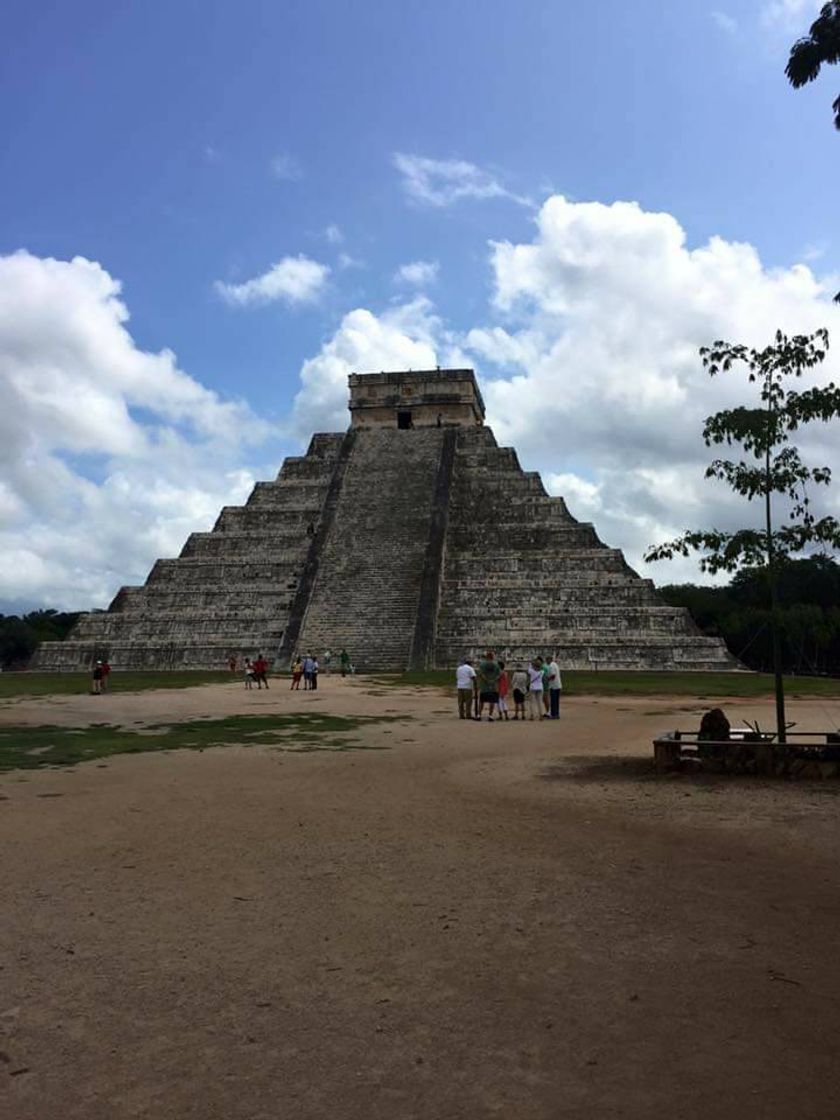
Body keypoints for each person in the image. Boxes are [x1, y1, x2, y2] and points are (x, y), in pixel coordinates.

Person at [477, 648, 501, 721]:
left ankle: (479, 715)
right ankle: (490, 715)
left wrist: (487, 680)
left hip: (484, 686)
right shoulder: (496, 664)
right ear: (492, 657)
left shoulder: (482, 664)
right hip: (493, 686)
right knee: (492, 701)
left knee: (482, 701)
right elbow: (499, 675)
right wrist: (492, 680)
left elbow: (481, 674)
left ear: (486, 656)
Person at [546, 655, 562, 719]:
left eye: (547, 660)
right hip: (558, 685)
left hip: (553, 686)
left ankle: (553, 714)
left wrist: (548, 679)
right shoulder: (555, 664)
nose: (546, 662)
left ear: (549, 660)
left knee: (553, 701)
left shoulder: (551, 666)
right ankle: (556, 713)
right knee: (556, 701)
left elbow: (553, 675)